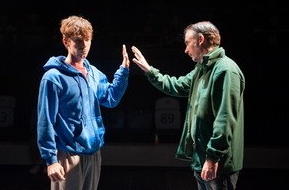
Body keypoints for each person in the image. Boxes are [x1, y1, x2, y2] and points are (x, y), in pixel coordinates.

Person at [131, 21, 245, 190]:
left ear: (200, 39)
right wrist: (150, 71)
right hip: (202, 160)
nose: (185, 50)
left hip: (218, 165)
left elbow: (225, 118)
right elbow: (176, 85)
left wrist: (213, 157)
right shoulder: (202, 69)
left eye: (187, 43)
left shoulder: (225, 70)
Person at [37, 15, 130, 190]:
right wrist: (51, 160)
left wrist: (123, 72)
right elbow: (45, 121)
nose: (84, 46)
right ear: (66, 41)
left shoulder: (93, 72)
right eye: (78, 40)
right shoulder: (53, 78)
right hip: (68, 153)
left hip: (93, 152)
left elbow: (110, 99)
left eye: (87, 40)